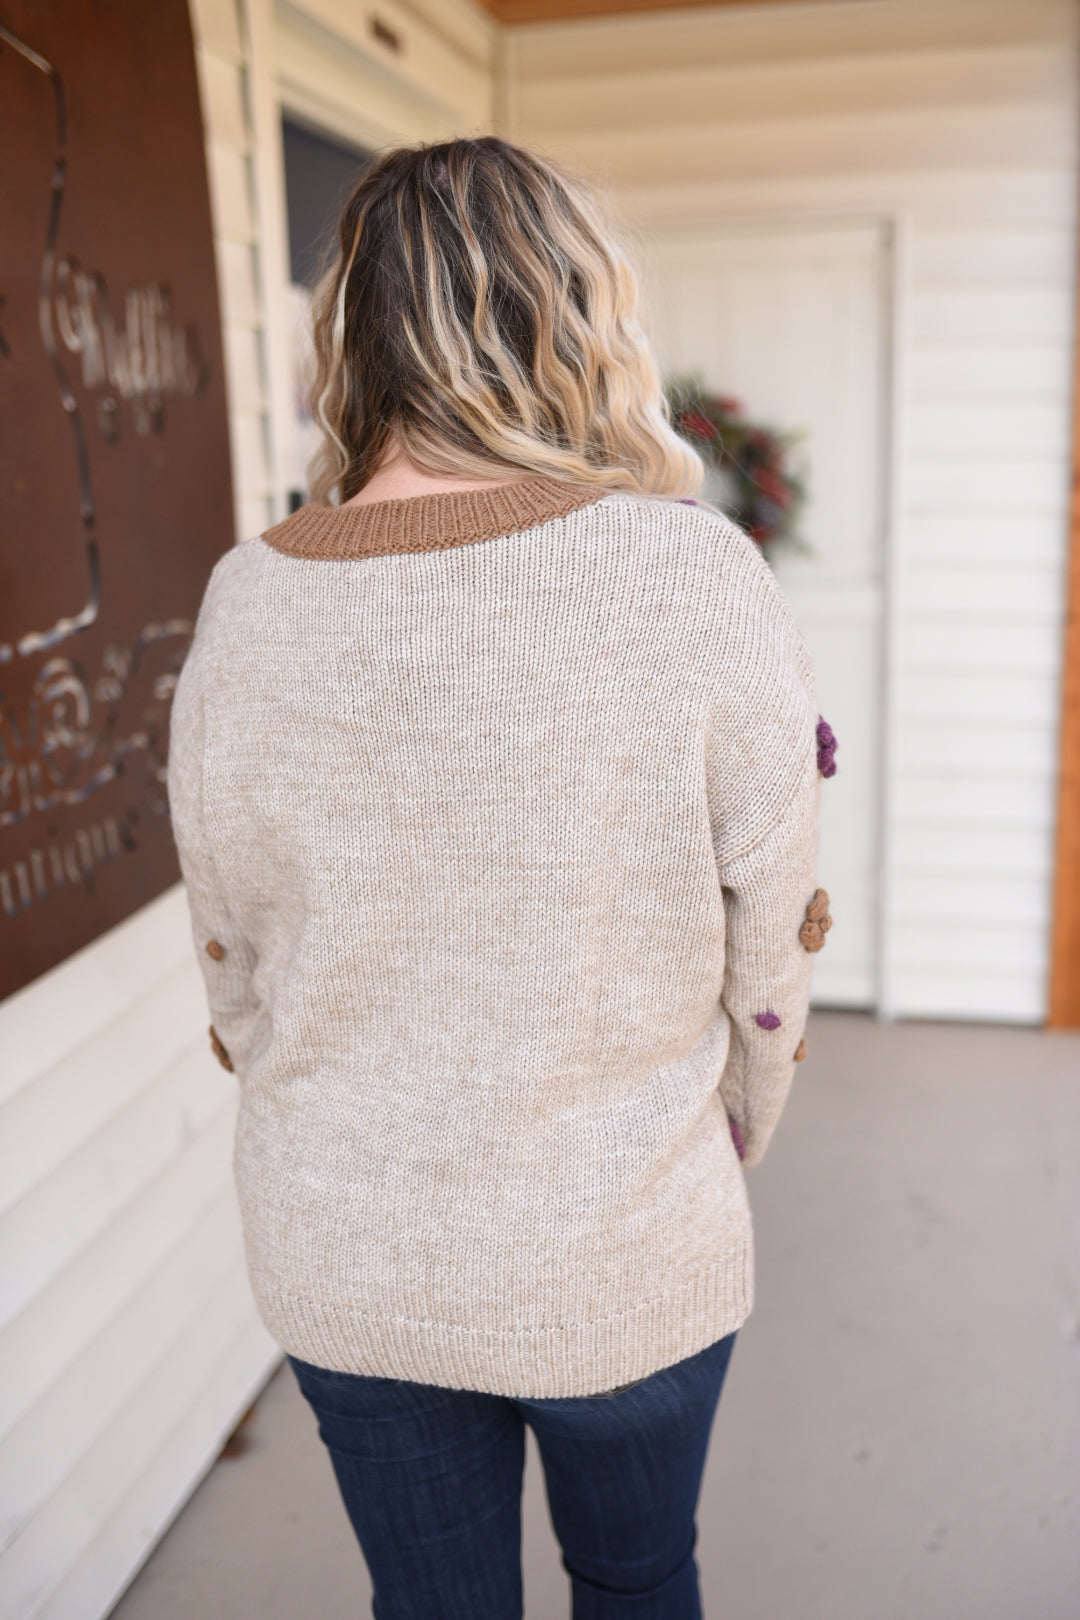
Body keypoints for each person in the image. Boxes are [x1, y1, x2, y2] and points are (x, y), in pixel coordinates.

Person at [167, 135, 826, 1620]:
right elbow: (768, 960)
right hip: (628, 1248)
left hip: (348, 1249)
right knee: (639, 1579)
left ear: (356, 335)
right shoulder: (691, 577)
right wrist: (705, 1146)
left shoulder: (247, 598)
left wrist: (350, 1113)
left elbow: (232, 963)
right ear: (573, 312)